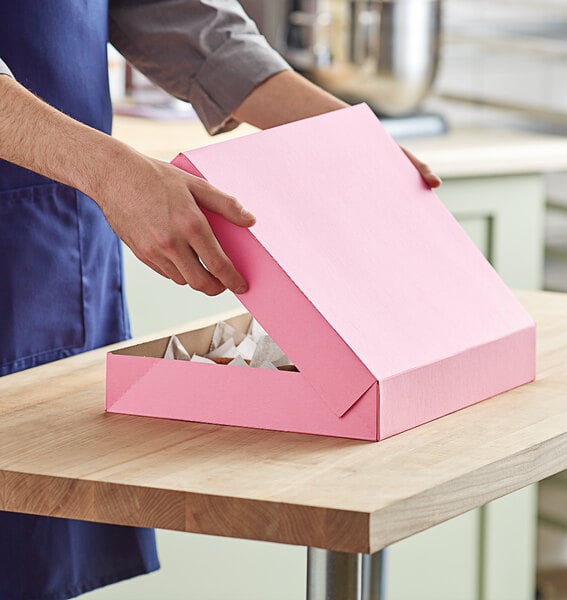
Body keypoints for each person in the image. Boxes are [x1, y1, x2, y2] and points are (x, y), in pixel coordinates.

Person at [0, 1, 440, 598]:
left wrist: (344, 136)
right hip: (70, 188)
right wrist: (109, 171)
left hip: (45, 250)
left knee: (30, 554)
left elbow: (169, 9)